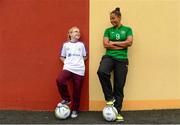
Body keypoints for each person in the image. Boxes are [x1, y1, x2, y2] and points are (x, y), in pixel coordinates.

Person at [97, 7, 133, 122]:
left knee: (119, 86)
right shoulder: (108, 30)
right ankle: (109, 98)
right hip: (109, 57)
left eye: (113, 18)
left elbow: (130, 42)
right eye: (110, 19)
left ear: (119, 17)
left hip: (122, 59)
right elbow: (106, 45)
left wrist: (114, 43)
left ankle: (117, 112)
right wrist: (121, 45)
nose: (112, 21)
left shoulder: (127, 29)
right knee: (101, 71)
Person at [56, 26, 87, 118]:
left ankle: (75, 110)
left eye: (79, 31)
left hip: (79, 70)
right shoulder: (66, 45)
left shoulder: (81, 45)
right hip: (68, 68)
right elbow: (62, 56)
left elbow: (85, 56)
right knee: (60, 80)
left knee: (77, 91)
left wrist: (78, 62)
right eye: (75, 31)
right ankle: (66, 99)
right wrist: (67, 63)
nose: (78, 33)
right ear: (70, 34)